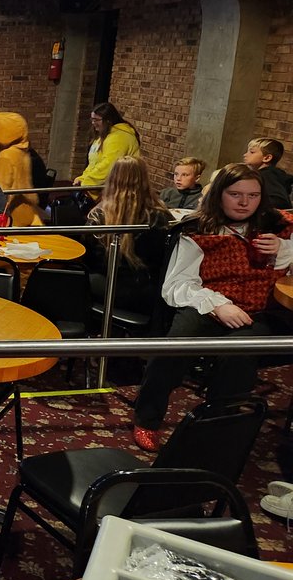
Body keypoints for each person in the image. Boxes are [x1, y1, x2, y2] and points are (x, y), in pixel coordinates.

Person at [132, 164, 293, 452]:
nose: (244, 203)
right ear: (219, 194)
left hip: (259, 308)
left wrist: (285, 250)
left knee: (239, 355)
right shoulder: (197, 229)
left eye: (253, 195)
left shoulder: (278, 226)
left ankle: (217, 427)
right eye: (235, 194)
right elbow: (178, 284)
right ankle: (147, 418)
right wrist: (218, 305)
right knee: (173, 347)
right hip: (206, 300)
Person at [85, 156, 174, 315]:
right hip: (150, 291)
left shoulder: (98, 216)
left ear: (112, 179)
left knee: (68, 281)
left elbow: (88, 256)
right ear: (144, 180)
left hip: (109, 286)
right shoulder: (161, 216)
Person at [0, 112, 44, 226]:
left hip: (13, 213)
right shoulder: (21, 152)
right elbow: (17, 179)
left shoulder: (5, 155)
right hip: (27, 208)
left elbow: (2, 190)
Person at [73, 101, 141, 195]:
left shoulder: (119, 138)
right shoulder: (104, 136)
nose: (93, 123)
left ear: (108, 120)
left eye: (96, 120)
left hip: (120, 193)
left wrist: (87, 183)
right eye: (92, 119)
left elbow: (109, 166)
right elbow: (94, 163)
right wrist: (82, 178)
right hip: (106, 191)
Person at [242, 137, 293, 209]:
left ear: (267, 158)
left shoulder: (267, 175)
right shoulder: (269, 175)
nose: (245, 155)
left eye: (252, 152)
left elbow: (280, 202)